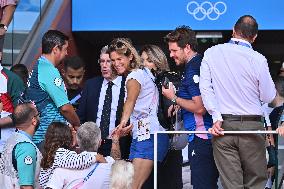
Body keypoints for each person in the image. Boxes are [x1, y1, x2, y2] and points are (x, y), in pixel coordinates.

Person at [199, 15, 279, 188]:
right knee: (255, 182)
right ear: (254, 37)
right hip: (251, 127)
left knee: (230, 184)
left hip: (223, 126)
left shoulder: (211, 53)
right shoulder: (258, 59)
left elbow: (205, 89)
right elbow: (268, 96)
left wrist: (216, 115)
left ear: (233, 30)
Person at [162, 26, 219, 188]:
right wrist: (180, 104)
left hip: (202, 137)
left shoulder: (194, 67)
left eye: (174, 50)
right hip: (206, 137)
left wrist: (173, 98)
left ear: (187, 48)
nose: (171, 55)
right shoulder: (198, 64)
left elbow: (200, 107)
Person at [108, 38, 169, 189]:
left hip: (150, 137)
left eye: (119, 58)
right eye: (113, 60)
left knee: (132, 186)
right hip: (143, 136)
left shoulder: (135, 75)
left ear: (130, 57)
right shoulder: (144, 73)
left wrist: (123, 122)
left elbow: (130, 100)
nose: (116, 63)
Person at [23, 30, 80, 151]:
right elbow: (65, 108)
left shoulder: (39, 66)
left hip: (42, 138)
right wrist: (77, 123)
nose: (66, 53)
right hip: (48, 139)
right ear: (55, 49)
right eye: (65, 49)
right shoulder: (49, 71)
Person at [140, 44, 183, 189]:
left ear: (158, 61)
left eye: (149, 60)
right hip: (147, 139)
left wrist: (173, 108)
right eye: (143, 61)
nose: (145, 64)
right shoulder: (140, 81)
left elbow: (173, 108)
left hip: (167, 140)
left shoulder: (169, 78)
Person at [77, 45, 131, 158]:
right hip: (92, 145)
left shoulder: (128, 84)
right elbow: (81, 117)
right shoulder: (91, 85)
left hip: (120, 144)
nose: (104, 66)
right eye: (102, 61)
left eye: (108, 61)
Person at [45, 121, 133, 189]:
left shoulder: (61, 168)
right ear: (99, 142)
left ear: (78, 142)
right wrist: (115, 139)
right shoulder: (108, 164)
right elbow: (116, 160)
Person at [39, 122, 106, 188]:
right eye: (71, 133)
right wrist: (95, 157)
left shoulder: (53, 152)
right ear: (66, 137)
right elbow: (78, 161)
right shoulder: (60, 153)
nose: (73, 133)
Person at [0, 102, 42, 189]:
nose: (40, 117)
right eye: (38, 114)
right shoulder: (26, 146)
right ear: (34, 121)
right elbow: (26, 186)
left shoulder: (12, 139)